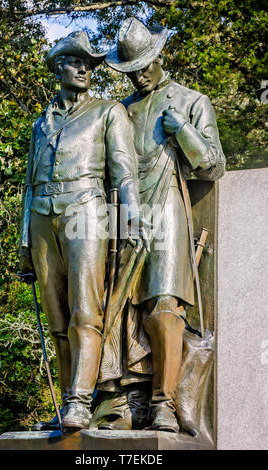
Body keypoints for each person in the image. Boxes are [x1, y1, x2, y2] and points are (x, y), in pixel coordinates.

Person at [97, 17, 225, 432]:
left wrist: (183, 130)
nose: (137, 75)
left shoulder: (192, 100)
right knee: (117, 311)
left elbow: (213, 166)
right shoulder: (122, 111)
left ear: (158, 57)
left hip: (168, 202)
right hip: (125, 213)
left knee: (164, 305)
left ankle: (164, 405)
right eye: (129, 70)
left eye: (143, 66)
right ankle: (124, 403)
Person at [18, 30, 146, 430]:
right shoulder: (42, 122)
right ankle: (68, 404)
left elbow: (124, 171)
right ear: (59, 68)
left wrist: (135, 215)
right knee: (57, 319)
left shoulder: (109, 111)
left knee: (84, 313)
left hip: (86, 212)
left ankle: (78, 402)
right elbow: (28, 185)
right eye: (77, 62)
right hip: (42, 216)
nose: (85, 69)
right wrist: (24, 242)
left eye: (90, 64)